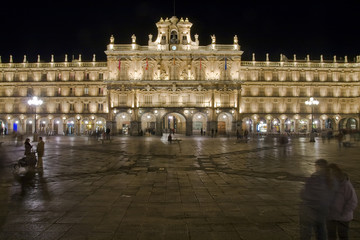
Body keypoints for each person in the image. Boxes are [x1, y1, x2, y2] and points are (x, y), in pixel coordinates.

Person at [299, 159, 336, 240]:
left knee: (306, 232)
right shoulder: (331, 179)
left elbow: (304, 193)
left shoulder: (314, 178)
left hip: (309, 210)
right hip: (323, 210)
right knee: (321, 230)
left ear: (318, 166)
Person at [327, 164, 358, 240]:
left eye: (332, 173)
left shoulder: (346, 185)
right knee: (331, 236)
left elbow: (353, 202)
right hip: (331, 215)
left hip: (343, 217)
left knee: (343, 236)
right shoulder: (328, 184)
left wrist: (343, 213)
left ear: (337, 172)